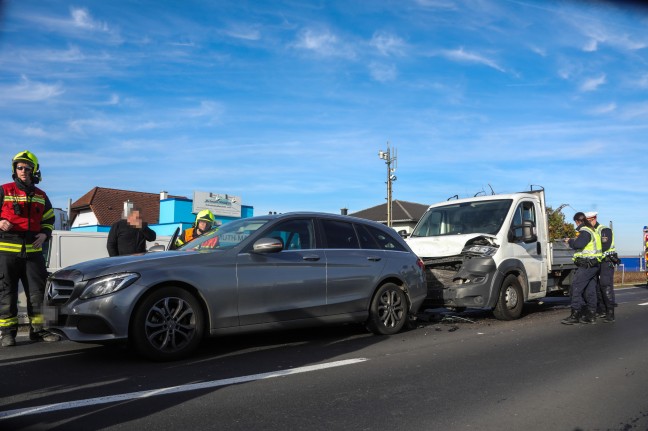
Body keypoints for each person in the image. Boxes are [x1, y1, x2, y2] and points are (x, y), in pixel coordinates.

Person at [0, 150, 60, 347]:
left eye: (27, 167)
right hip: (7, 253)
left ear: (34, 170)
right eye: (20, 167)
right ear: (14, 169)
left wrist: (45, 233)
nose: (23, 170)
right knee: (6, 294)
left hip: (34, 254)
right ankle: (7, 334)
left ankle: (40, 331)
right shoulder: (4, 190)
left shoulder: (42, 196)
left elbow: (50, 218)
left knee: (39, 293)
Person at [561, 212, 602, 325]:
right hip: (594, 265)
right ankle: (591, 314)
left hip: (586, 265)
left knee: (576, 288)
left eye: (576, 222)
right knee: (590, 290)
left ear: (578, 221)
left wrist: (569, 241)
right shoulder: (593, 231)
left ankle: (575, 314)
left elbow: (578, 245)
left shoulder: (585, 231)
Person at [585, 211, 617, 323]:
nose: (588, 223)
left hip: (606, 261)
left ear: (594, 219)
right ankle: (603, 310)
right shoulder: (590, 231)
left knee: (605, 285)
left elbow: (605, 246)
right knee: (597, 286)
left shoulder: (604, 230)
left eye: (589, 221)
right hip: (596, 262)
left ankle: (610, 312)